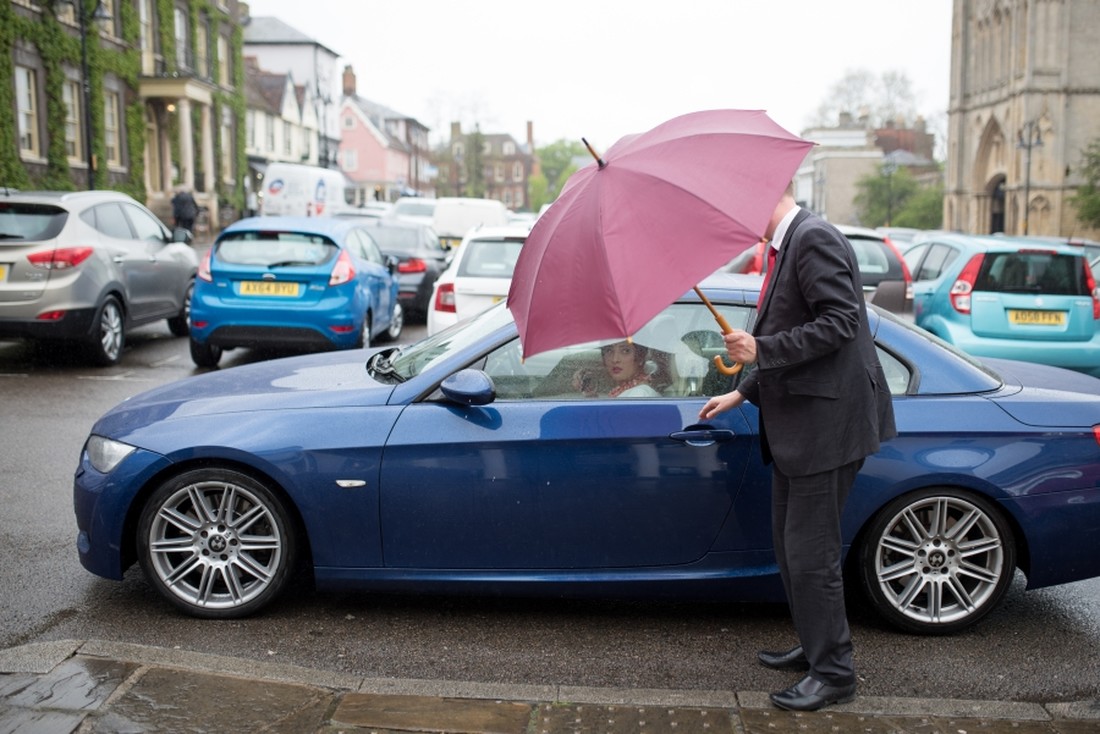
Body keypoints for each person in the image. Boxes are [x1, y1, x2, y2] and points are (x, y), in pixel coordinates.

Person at [699, 182, 896, 712]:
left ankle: (834, 674)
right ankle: (817, 644)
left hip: (826, 426)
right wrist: (741, 390)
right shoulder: (789, 246)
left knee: (811, 556)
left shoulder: (812, 238)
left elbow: (840, 324)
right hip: (800, 427)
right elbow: (799, 333)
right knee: (792, 550)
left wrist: (760, 347)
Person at [573, 340, 661, 398]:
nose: (615, 359)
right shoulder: (629, 390)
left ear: (640, 357)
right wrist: (590, 395)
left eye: (625, 351)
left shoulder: (640, 395)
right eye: (609, 351)